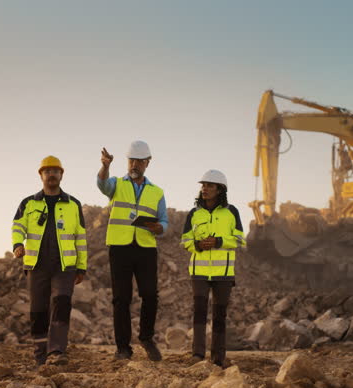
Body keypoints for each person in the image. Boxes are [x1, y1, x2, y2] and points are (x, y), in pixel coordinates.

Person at [12, 155, 87, 366]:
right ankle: (40, 354)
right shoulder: (28, 203)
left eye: (55, 171)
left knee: (61, 303)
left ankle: (57, 351)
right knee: (38, 309)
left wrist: (81, 266)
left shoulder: (73, 204)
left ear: (61, 175)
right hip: (36, 265)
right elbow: (17, 226)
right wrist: (17, 244)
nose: (51, 174)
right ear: (41, 175)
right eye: (47, 171)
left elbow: (80, 237)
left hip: (65, 266)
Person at [97, 140, 168, 361]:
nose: (134, 165)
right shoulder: (116, 184)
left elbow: (164, 221)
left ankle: (146, 338)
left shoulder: (157, 192)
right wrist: (105, 166)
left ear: (147, 163)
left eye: (139, 161)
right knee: (121, 298)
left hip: (146, 248)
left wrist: (159, 228)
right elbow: (101, 184)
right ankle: (123, 348)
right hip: (120, 247)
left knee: (150, 295)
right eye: (131, 161)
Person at [179, 169, 244, 367]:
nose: (204, 189)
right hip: (199, 272)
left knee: (219, 314)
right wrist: (198, 245)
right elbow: (185, 241)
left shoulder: (231, 212)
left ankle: (218, 358)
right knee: (199, 311)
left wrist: (219, 241)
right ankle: (198, 354)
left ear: (220, 189)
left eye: (209, 185)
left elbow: (240, 240)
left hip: (223, 273)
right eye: (203, 185)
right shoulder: (194, 213)